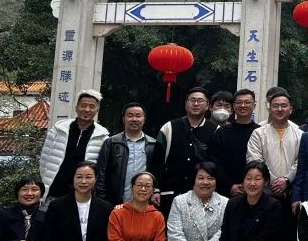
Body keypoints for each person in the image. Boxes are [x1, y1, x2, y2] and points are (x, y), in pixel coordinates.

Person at [246, 88, 302, 241]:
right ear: (269, 108)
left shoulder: (299, 134)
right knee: (263, 239)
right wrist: (271, 180)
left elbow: (301, 161)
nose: (279, 109)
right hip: (264, 195)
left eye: (284, 105)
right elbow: (254, 159)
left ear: (291, 108)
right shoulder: (258, 133)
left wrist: (286, 179)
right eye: (275, 105)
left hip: (289, 195)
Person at [157, 87, 218, 216]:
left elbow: (218, 165)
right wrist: (155, 189)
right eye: (192, 100)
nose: (196, 104)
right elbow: (156, 161)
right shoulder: (169, 128)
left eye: (200, 101)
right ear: (185, 104)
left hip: (204, 194)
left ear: (208, 106)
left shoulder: (215, 130)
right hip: (171, 193)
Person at [39, 89, 107, 202]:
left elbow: (101, 169)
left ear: (97, 110)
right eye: (83, 105)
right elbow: (44, 160)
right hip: (54, 192)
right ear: (76, 108)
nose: (87, 109)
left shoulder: (102, 136)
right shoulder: (58, 129)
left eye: (91, 106)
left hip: (83, 195)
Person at [95, 102, 164, 207]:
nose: (134, 119)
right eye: (130, 115)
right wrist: (102, 201)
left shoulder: (153, 145)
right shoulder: (112, 143)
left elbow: (157, 175)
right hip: (114, 203)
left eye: (138, 116)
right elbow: (101, 174)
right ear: (123, 119)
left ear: (144, 119)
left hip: (144, 204)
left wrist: (156, 191)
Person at [208, 89, 259, 195]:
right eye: (239, 102)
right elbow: (215, 161)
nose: (243, 105)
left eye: (247, 102)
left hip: (255, 189)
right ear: (234, 106)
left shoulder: (260, 132)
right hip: (226, 191)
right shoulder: (222, 132)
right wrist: (229, 186)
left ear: (254, 106)